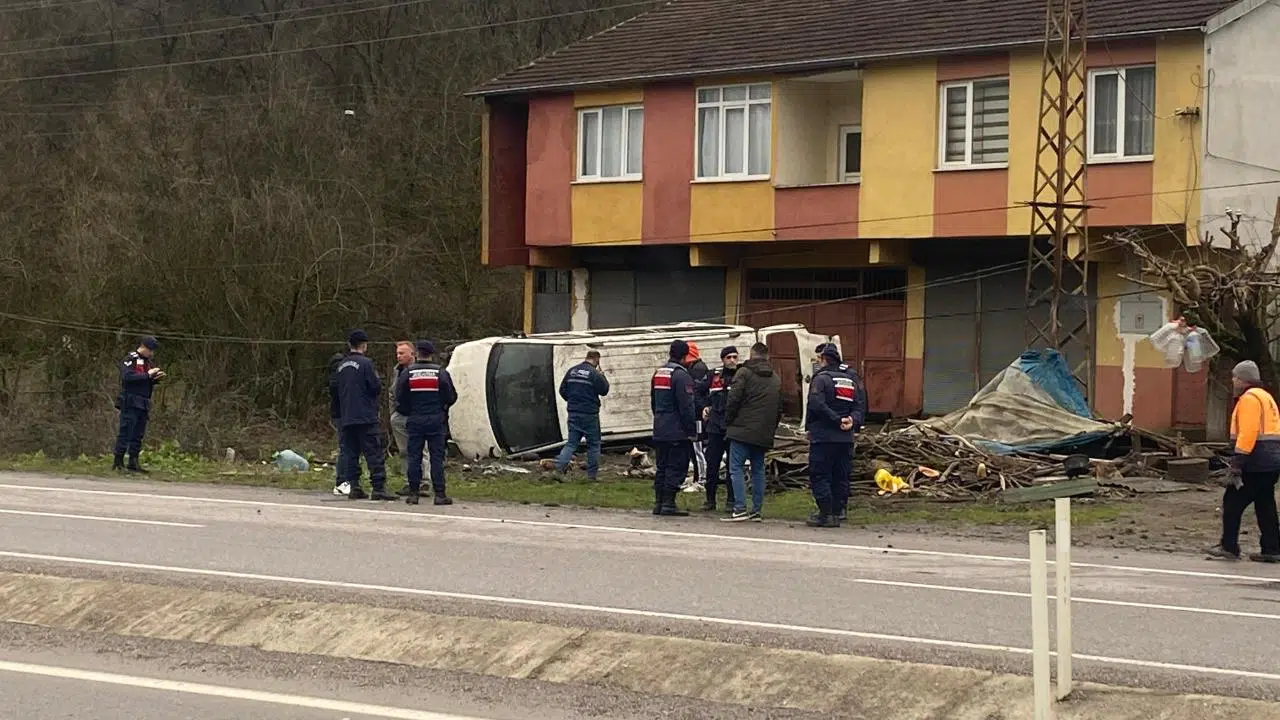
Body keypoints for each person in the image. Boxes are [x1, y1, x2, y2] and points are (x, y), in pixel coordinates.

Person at [1207, 360, 1280, 562]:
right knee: (1265, 504)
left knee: (1232, 502)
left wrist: (1238, 462)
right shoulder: (1267, 398)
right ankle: (1272, 548)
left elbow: (1248, 432)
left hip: (1255, 461)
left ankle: (1229, 546)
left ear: (1243, 379)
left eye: (1235, 377)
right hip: (1272, 461)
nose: (1233, 380)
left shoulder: (1249, 399)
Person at [805, 343, 867, 528]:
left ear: (824, 359)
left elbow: (816, 404)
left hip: (823, 437)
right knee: (840, 476)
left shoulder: (821, 379)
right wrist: (851, 420)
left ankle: (825, 514)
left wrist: (835, 419)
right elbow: (859, 405)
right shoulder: (850, 379)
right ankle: (838, 511)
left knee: (820, 475)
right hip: (845, 438)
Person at [721, 342, 784, 522]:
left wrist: (728, 422)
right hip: (763, 432)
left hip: (741, 429)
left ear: (751, 354)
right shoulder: (776, 378)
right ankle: (756, 510)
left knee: (736, 468)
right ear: (767, 357)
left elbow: (733, 400)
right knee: (758, 470)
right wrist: (770, 428)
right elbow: (779, 408)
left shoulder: (744, 373)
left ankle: (739, 507)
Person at [332, 329, 395, 501]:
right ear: (364, 345)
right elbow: (375, 387)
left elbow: (335, 389)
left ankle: (354, 486)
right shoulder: (366, 364)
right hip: (365, 416)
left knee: (351, 454)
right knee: (373, 453)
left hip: (346, 416)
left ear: (349, 344)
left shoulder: (341, 366)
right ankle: (378, 487)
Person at [395, 340, 458, 506]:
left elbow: (399, 397)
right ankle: (440, 495)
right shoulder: (440, 373)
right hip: (436, 420)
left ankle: (414, 494)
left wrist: (409, 411)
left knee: (414, 456)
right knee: (436, 458)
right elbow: (451, 397)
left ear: (417, 353)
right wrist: (441, 409)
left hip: (415, 419)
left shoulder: (407, 373)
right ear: (432, 354)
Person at [651, 339, 696, 517]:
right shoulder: (681, 375)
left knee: (662, 466)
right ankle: (669, 503)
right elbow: (687, 406)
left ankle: (659, 502)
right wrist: (691, 430)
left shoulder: (659, 373)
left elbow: (653, 401)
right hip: (676, 429)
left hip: (660, 427)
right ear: (685, 356)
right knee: (676, 466)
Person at [553, 350, 610, 480]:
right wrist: (602, 376)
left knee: (571, 444)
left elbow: (562, 390)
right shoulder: (594, 374)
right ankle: (591, 476)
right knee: (594, 445)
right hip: (589, 415)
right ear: (597, 360)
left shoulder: (572, 371)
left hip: (573, 413)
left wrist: (573, 401)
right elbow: (604, 390)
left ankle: (559, 470)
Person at [112, 335, 165, 473]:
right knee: (126, 432)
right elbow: (127, 377)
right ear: (143, 347)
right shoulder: (131, 359)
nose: (152, 353)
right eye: (150, 350)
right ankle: (118, 462)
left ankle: (133, 462)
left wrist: (154, 378)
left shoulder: (147, 362)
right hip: (130, 401)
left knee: (138, 434)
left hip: (143, 402)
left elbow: (144, 380)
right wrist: (147, 375)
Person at [701, 346, 739, 512]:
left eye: (735, 357)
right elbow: (698, 391)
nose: (732, 360)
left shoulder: (741, 375)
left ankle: (731, 501)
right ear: (723, 359)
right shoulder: (713, 375)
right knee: (712, 465)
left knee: (733, 466)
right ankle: (710, 500)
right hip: (715, 426)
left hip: (733, 427)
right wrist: (704, 406)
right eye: (729, 357)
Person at [684, 342, 711, 490]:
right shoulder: (697, 368)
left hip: (697, 415)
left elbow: (696, 393)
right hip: (697, 413)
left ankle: (701, 479)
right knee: (695, 448)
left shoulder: (697, 370)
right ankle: (698, 476)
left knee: (697, 448)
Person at [327, 350, 350, 496]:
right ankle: (342, 481)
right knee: (345, 447)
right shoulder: (338, 371)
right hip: (343, 413)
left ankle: (346, 480)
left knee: (346, 447)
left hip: (342, 413)